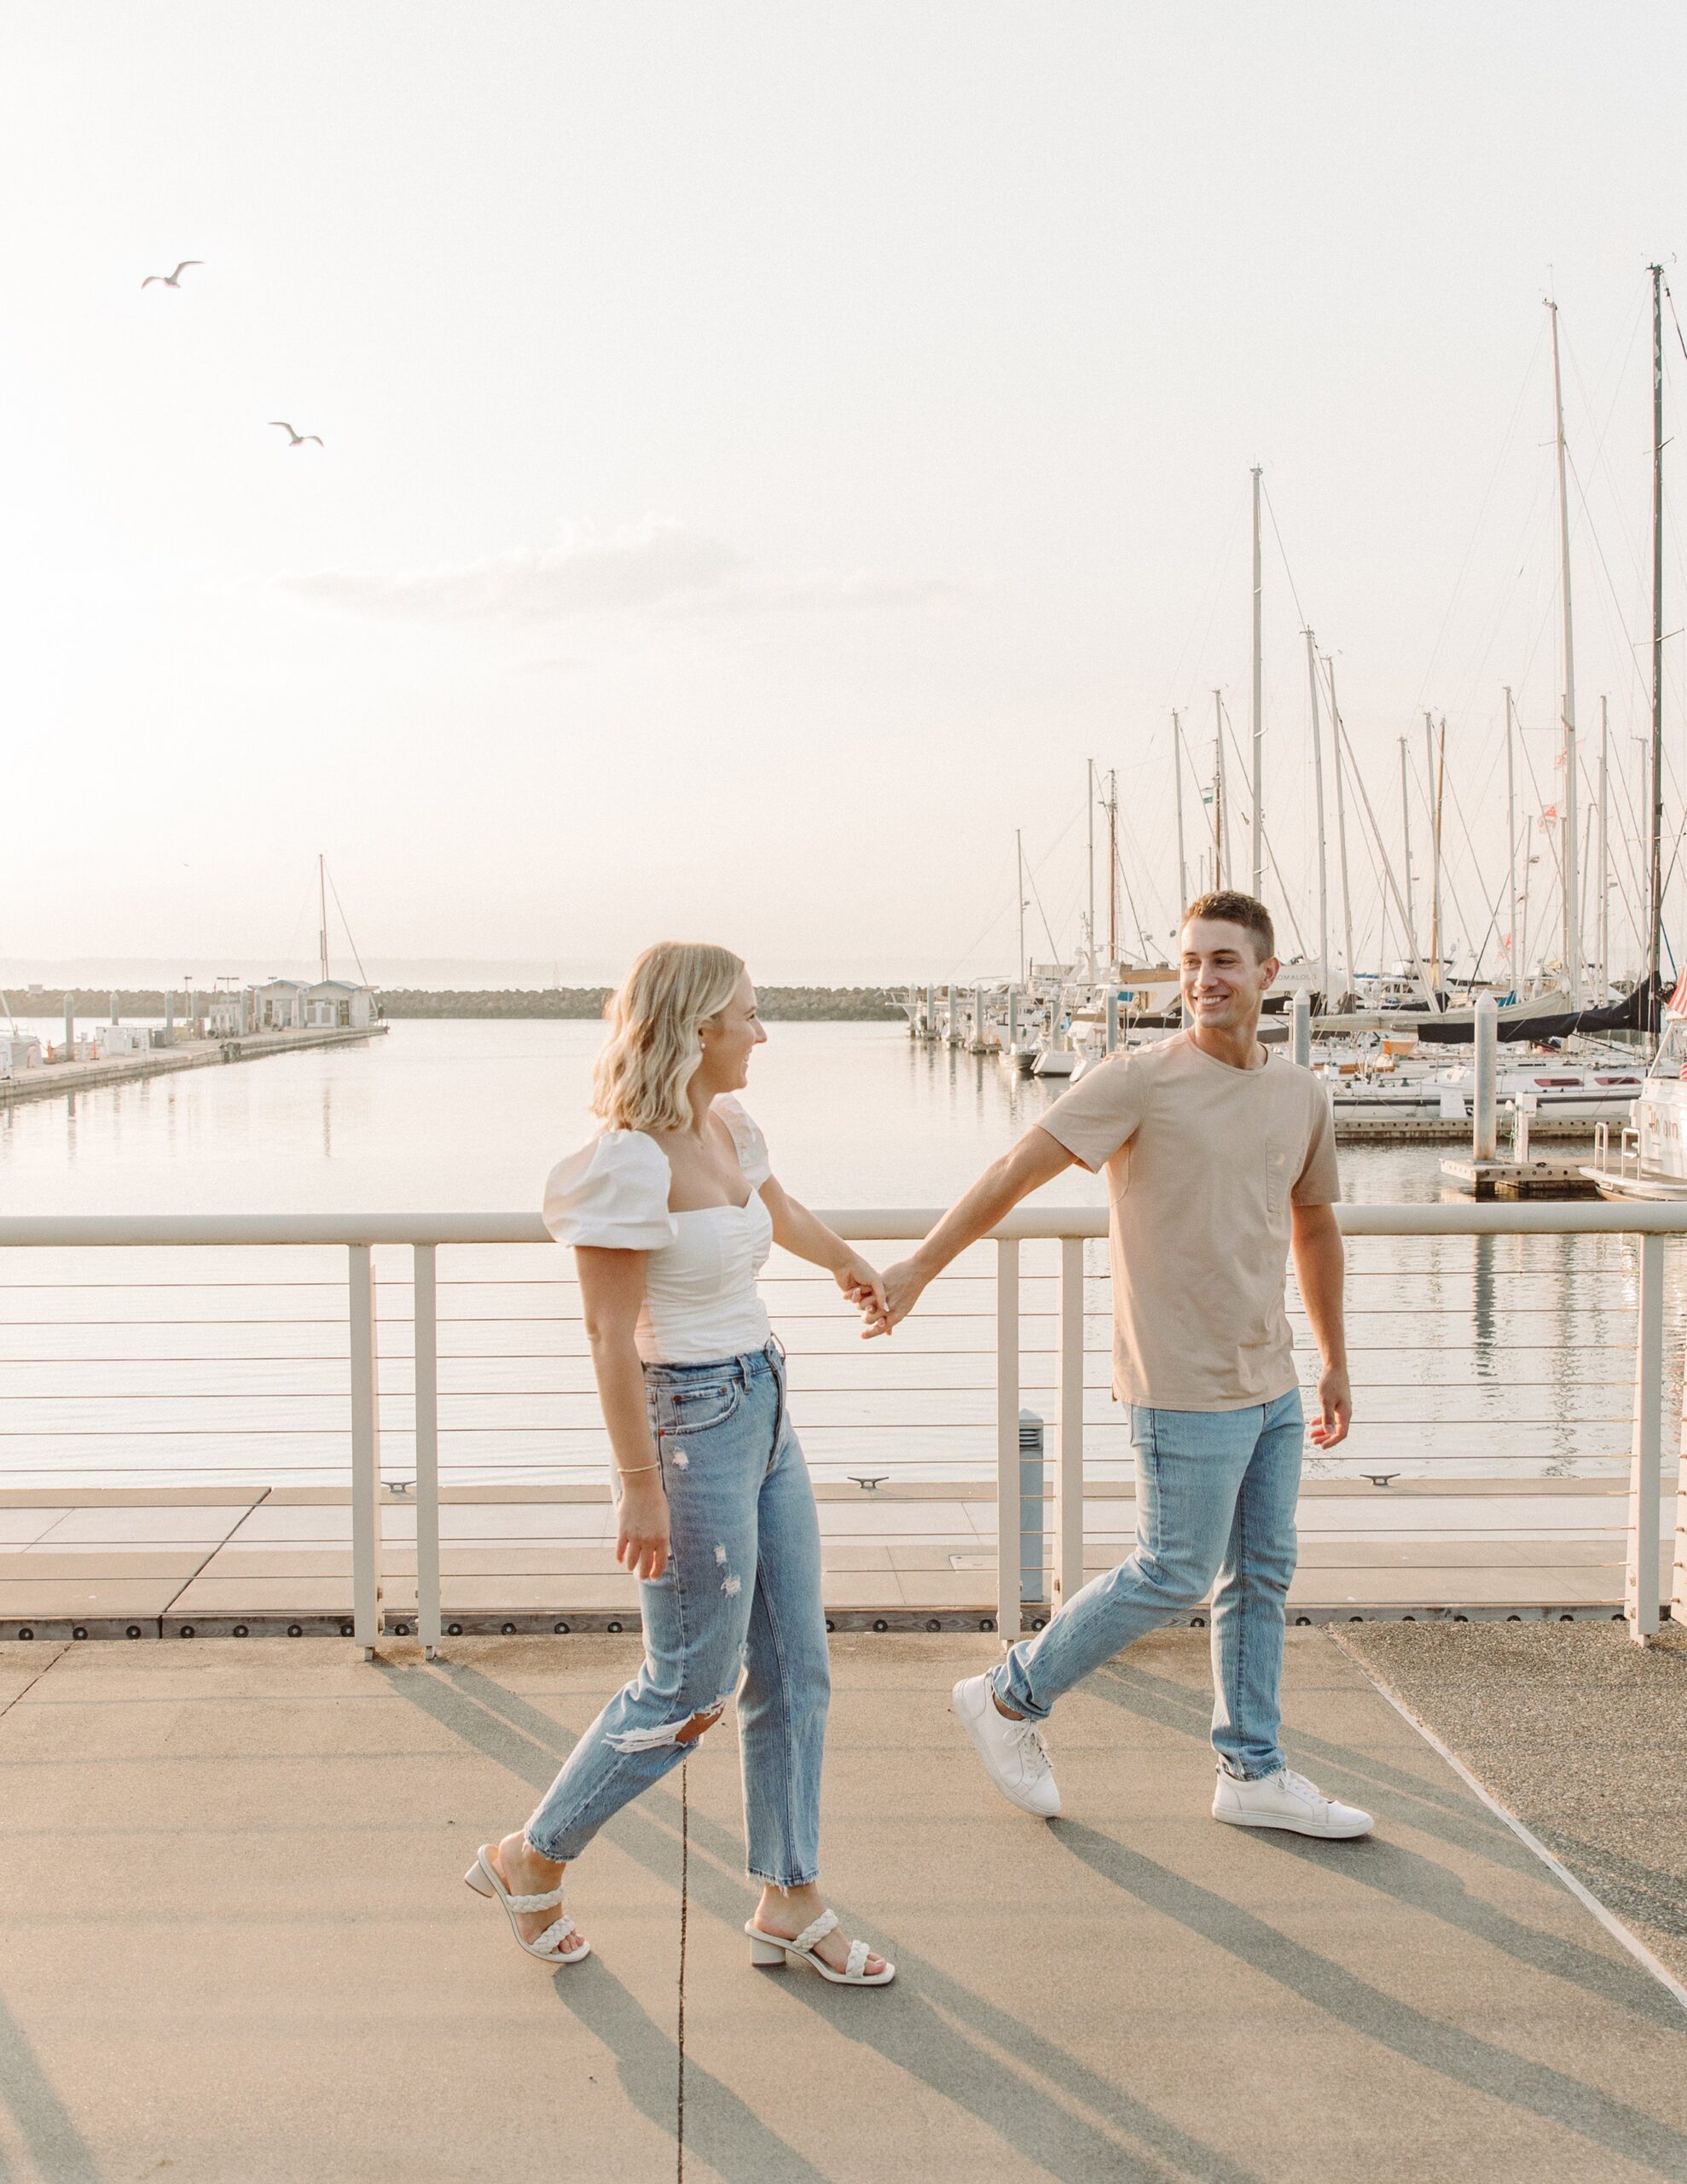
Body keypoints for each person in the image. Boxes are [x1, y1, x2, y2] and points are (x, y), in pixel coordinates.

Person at [871, 892, 1372, 1840]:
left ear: (1270, 975)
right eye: (1189, 962)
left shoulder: (1300, 1093)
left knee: (1260, 1573)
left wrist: (1335, 1359)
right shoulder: (1138, 1079)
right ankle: (1009, 1696)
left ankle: (1251, 1770)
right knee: (1173, 1568)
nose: (1202, 979)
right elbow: (1015, 1169)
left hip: (1269, 1380)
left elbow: (1312, 1226)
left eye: (1223, 961)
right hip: (1178, 1380)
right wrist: (919, 1266)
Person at [467, 943, 895, 1984]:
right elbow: (610, 1339)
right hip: (687, 1429)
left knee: (797, 1666)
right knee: (687, 1689)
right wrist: (640, 1486)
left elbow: (776, 1212)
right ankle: (531, 1855)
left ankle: (789, 1896)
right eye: (749, 1014)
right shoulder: (624, 1162)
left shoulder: (729, 1123)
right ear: (698, 1027)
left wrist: (849, 1263)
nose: (762, 1032)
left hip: (765, 1400)